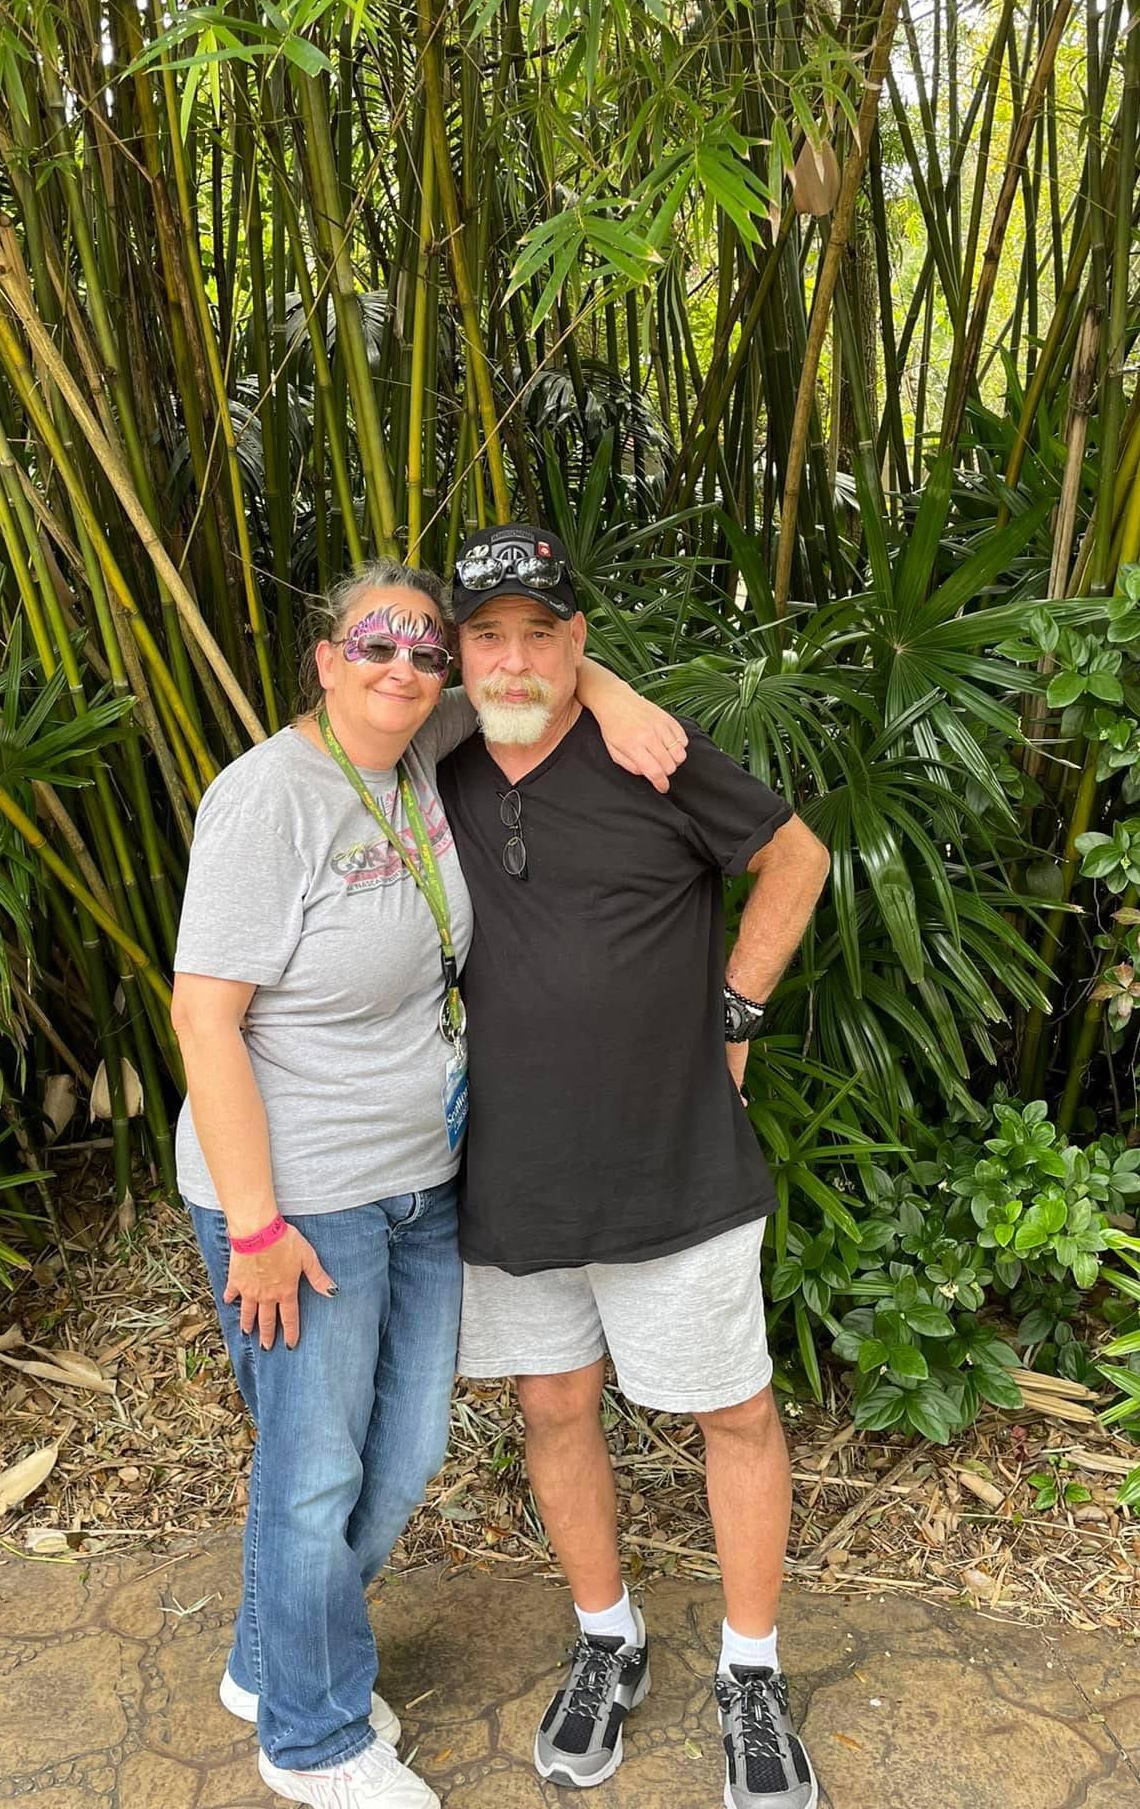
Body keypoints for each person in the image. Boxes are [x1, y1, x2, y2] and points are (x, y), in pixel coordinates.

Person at [171, 558, 687, 1809]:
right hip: (298, 1199)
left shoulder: (422, 740)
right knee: (314, 1470)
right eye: (374, 647)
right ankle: (313, 1735)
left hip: (422, 1178)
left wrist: (612, 692)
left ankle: (270, 1654)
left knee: (398, 1459)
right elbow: (203, 1015)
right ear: (324, 657)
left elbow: (536, 664)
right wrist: (255, 1225)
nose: (403, 669)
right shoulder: (268, 795)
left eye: (423, 652)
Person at [437, 525, 831, 1809]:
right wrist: (583, 680)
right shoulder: (423, 759)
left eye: (541, 633)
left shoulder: (652, 756)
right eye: (485, 633)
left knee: (733, 1411)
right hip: (512, 1168)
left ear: (577, 638)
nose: (513, 659)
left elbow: (799, 857)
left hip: (675, 1153)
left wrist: (736, 1017)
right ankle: (609, 1636)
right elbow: (341, 701)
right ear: (453, 650)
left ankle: (752, 1672)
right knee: (554, 1407)